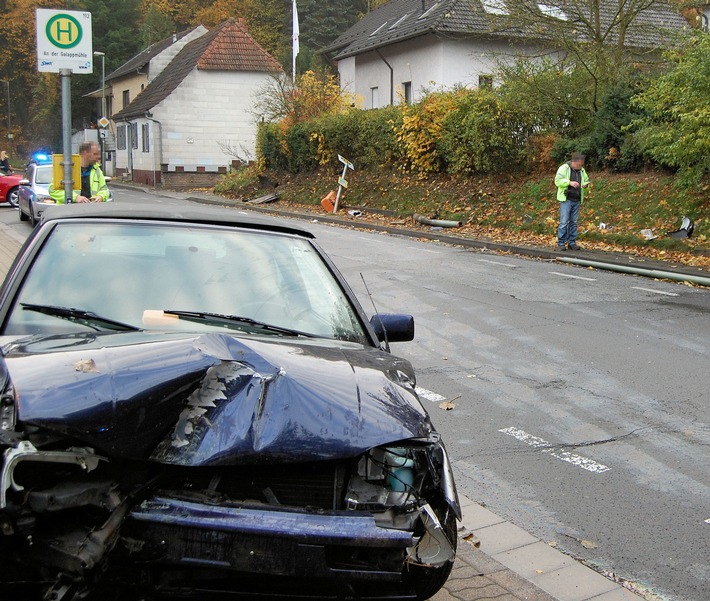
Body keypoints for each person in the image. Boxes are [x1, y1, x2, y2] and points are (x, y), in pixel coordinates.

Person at [554, 152, 590, 251]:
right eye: (579, 164)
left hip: (577, 199)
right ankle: (561, 243)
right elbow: (557, 181)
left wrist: (586, 186)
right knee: (564, 222)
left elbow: (586, 181)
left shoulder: (582, 170)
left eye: (581, 165)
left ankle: (572, 243)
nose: (580, 166)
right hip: (566, 199)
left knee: (573, 222)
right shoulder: (564, 168)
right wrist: (569, 182)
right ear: (574, 162)